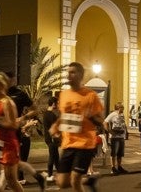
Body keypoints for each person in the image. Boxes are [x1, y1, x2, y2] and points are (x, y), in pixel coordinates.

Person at [49, 62, 104, 192]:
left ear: (81, 75)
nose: (69, 75)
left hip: (85, 144)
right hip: (68, 143)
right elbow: (63, 116)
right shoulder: (64, 94)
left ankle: (84, 180)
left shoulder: (90, 95)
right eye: (68, 72)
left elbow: (101, 120)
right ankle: (89, 180)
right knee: (62, 183)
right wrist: (55, 127)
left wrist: (90, 116)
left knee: (75, 179)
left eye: (73, 72)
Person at [3, 72, 45, 190]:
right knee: (9, 165)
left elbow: (35, 110)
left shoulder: (20, 94)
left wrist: (22, 118)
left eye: (8, 80)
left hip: (12, 135)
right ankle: (37, 176)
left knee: (8, 168)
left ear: (13, 80)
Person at [104, 102, 129, 175]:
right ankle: (113, 167)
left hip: (121, 136)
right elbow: (105, 122)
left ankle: (119, 166)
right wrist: (110, 131)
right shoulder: (113, 114)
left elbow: (123, 124)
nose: (123, 109)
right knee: (114, 152)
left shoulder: (121, 115)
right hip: (115, 137)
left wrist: (125, 132)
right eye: (122, 107)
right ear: (118, 108)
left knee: (120, 153)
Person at [42, 96, 60, 182]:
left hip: (48, 138)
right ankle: (49, 175)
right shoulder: (52, 115)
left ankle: (60, 174)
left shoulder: (45, 114)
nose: (58, 105)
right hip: (52, 138)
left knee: (56, 156)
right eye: (57, 103)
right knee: (52, 156)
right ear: (53, 104)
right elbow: (53, 128)